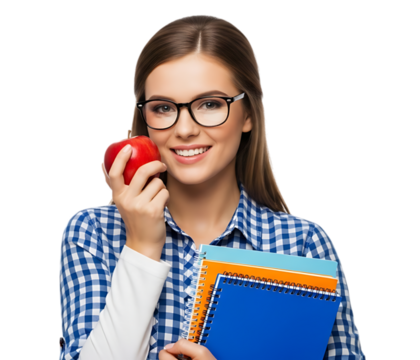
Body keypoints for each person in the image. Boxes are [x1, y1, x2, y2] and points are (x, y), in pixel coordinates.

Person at [59, 14, 364, 360]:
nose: (185, 129)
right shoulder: (93, 233)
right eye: (162, 108)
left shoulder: (303, 244)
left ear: (248, 114)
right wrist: (142, 247)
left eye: (209, 104)